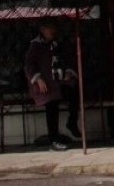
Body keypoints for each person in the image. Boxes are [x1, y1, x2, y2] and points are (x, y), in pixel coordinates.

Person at [24, 18, 80, 151]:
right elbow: (28, 65)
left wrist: (68, 72)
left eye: (53, 28)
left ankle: (72, 122)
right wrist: (38, 79)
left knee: (73, 94)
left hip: (57, 81)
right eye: (49, 28)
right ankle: (53, 140)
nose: (52, 31)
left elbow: (63, 60)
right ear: (42, 30)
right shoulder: (35, 45)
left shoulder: (55, 44)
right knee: (52, 105)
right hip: (45, 83)